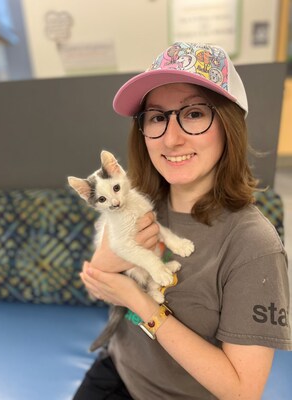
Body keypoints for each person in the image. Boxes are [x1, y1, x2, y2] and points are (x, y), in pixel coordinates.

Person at [73, 42, 291, 400]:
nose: (171, 139)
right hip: (117, 371)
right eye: (157, 117)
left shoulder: (254, 246)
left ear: (228, 125)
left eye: (193, 113)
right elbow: (96, 281)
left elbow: (242, 391)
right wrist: (108, 269)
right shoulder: (138, 203)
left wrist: (142, 304)